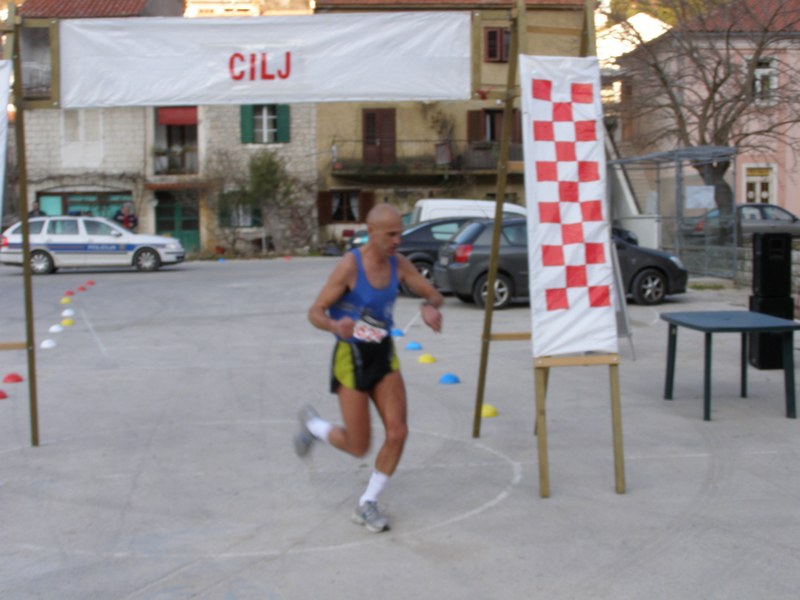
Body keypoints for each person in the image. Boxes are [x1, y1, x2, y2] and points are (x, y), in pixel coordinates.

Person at [297, 203, 443, 533]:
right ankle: (315, 427)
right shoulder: (350, 266)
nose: (397, 241)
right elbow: (315, 312)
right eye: (390, 235)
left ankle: (368, 503)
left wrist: (428, 307)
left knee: (398, 431)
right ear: (372, 231)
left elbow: (434, 294)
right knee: (358, 445)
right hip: (351, 357)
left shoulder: (399, 264)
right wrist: (334, 326)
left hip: (383, 355)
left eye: (399, 234)